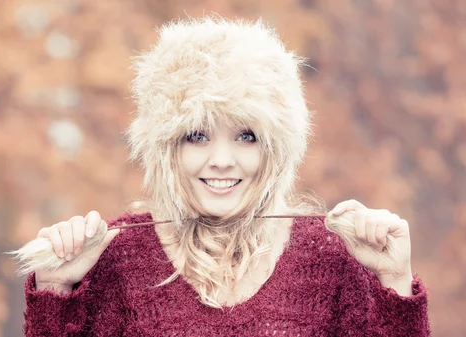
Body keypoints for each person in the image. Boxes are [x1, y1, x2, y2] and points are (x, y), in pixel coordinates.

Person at [22, 17, 430, 336]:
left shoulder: (332, 257)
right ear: (166, 148)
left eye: (246, 136)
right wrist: (56, 289)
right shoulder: (114, 258)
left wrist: (394, 280)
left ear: (275, 148)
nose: (221, 160)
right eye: (197, 136)